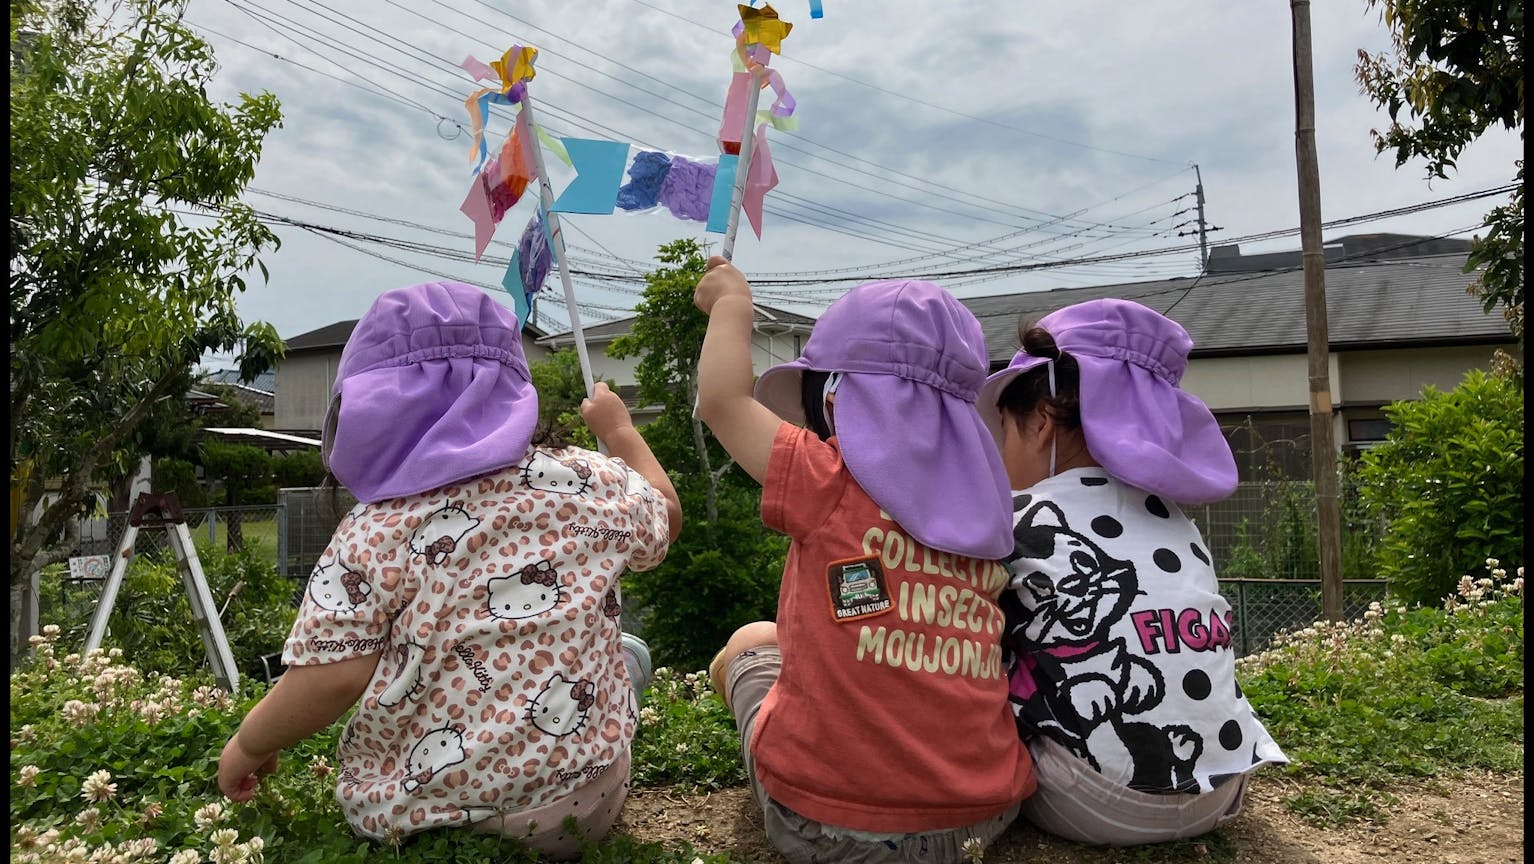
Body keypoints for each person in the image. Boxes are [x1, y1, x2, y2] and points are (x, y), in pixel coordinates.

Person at [216, 281, 682, 859]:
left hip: (416, 814)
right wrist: (620, 433)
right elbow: (666, 513)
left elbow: (331, 677)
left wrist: (248, 744)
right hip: (582, 803)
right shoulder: (588, 482)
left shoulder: (373, 528)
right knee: (629, 653)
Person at [693, 257, 1035, 864]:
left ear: (834, 399)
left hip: (834, 827)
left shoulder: (824, 477)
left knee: (752, 643)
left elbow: (721, 400)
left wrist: (732, 305)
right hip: (984, 813)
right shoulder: (991, 508)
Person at [976, 297, 1287, 846]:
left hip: (1092, 800)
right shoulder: (1176, 522)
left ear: (1042, 422)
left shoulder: (1016, 518)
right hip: (1221, 788)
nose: (999, 456)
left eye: (1004, 433)